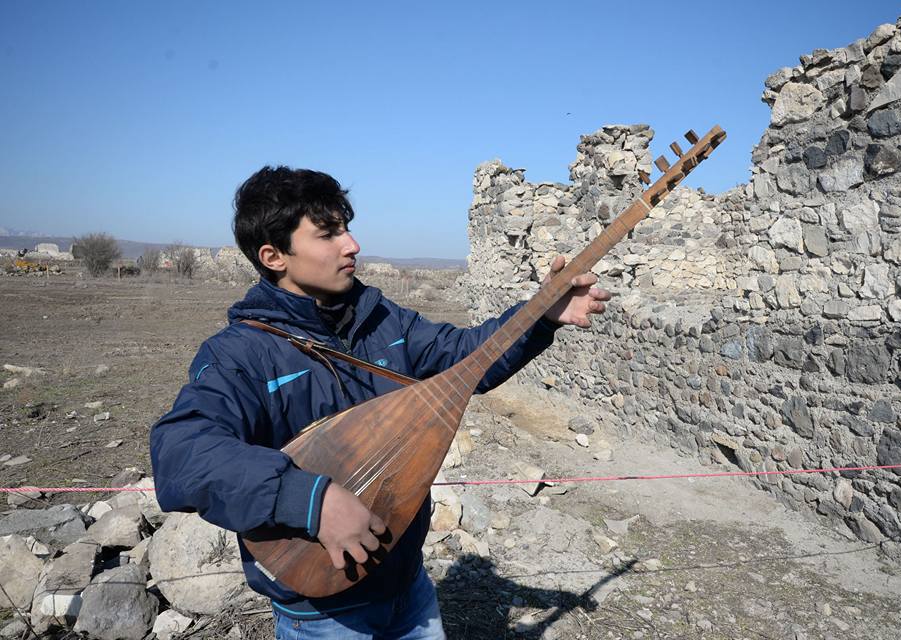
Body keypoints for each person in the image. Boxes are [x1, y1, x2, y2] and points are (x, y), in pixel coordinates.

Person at [149, 166, 611, 639]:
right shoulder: (240, 354)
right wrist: (310, 500)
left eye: (346, 228)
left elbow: (467, 359)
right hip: (323, 612)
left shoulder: (382, 318)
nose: (352, 245)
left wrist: (540, 316)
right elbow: (182, 452)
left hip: (408, 588)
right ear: (274, 256)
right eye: (328, 234)